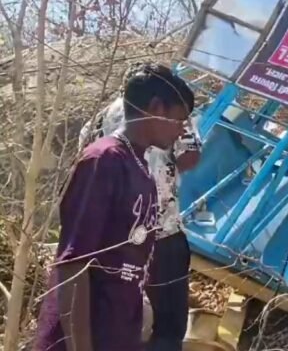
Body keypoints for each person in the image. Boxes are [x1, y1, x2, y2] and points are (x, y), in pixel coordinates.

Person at [35, 64, 195, 351]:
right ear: (155, 107)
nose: (183, 130)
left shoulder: (142, 169)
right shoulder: (104, 159)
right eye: (179, 119)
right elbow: (74, 263)